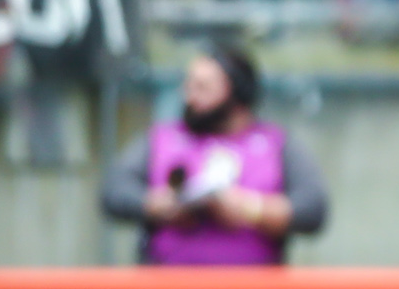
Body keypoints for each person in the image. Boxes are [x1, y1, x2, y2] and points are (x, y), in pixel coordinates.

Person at [100, 47, 330, 265]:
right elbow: (114, 191)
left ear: (237, 91)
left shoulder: (275, 143)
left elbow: (312, 208)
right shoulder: (162, 138)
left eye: (203, 88)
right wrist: (161, 205)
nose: (190, 97)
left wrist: (251, 208)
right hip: (168, 288)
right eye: (189, 86)